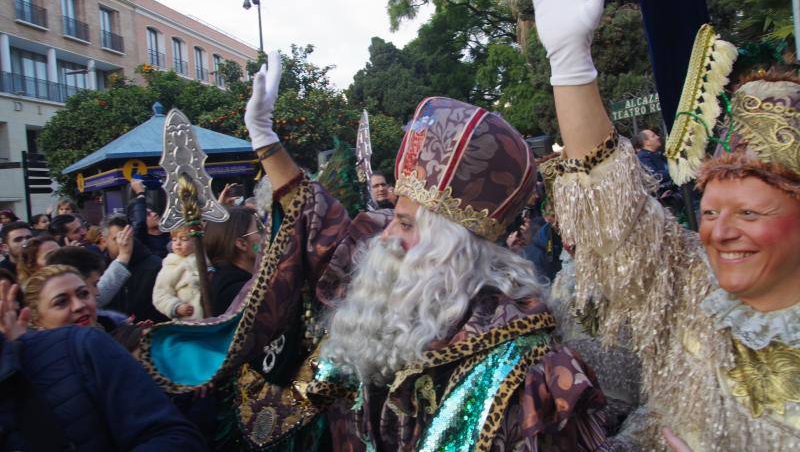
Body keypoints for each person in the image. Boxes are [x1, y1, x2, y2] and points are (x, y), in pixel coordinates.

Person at [138, 52, 607, 450]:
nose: (382, 236)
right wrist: (264, 138)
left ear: (453, 248)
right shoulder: (405, 286)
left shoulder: (529, 370)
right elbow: (323, 232)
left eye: (402, 223)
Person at [530, 0, 800, 449]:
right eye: (713, 210)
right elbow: (614, 220)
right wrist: (571, 67)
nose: (720, 230)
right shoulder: (693, 289)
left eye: (750, 212)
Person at [0, 282, 207, 451]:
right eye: (61, 302)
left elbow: (172, 435)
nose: (80, 305)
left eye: (84, 293)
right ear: (38, 320)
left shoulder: (86, 346)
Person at [103, 215, 166, 323]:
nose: (123, 242)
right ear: (104, 241)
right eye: (117, 238)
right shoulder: (99, 267)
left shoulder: (155, 266)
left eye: (127, 237)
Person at [205, 206, 262, 316]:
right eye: (260, 229)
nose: (268, 234)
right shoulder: (236, 291)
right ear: (242, 244)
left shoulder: (222, 277)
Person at [152, 226, 203, 319]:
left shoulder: (204, 261)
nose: (178, 243)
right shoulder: (170, 267)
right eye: (174, 240)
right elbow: (160, 295)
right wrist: (176, 307)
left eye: (184, 239)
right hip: (187, 321)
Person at [128, 178, 171, 259]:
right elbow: (140, 223)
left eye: (152, 211)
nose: (154, 214)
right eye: (148, 214)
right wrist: (140, 194)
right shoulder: (143, 241)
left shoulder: (170, 234)